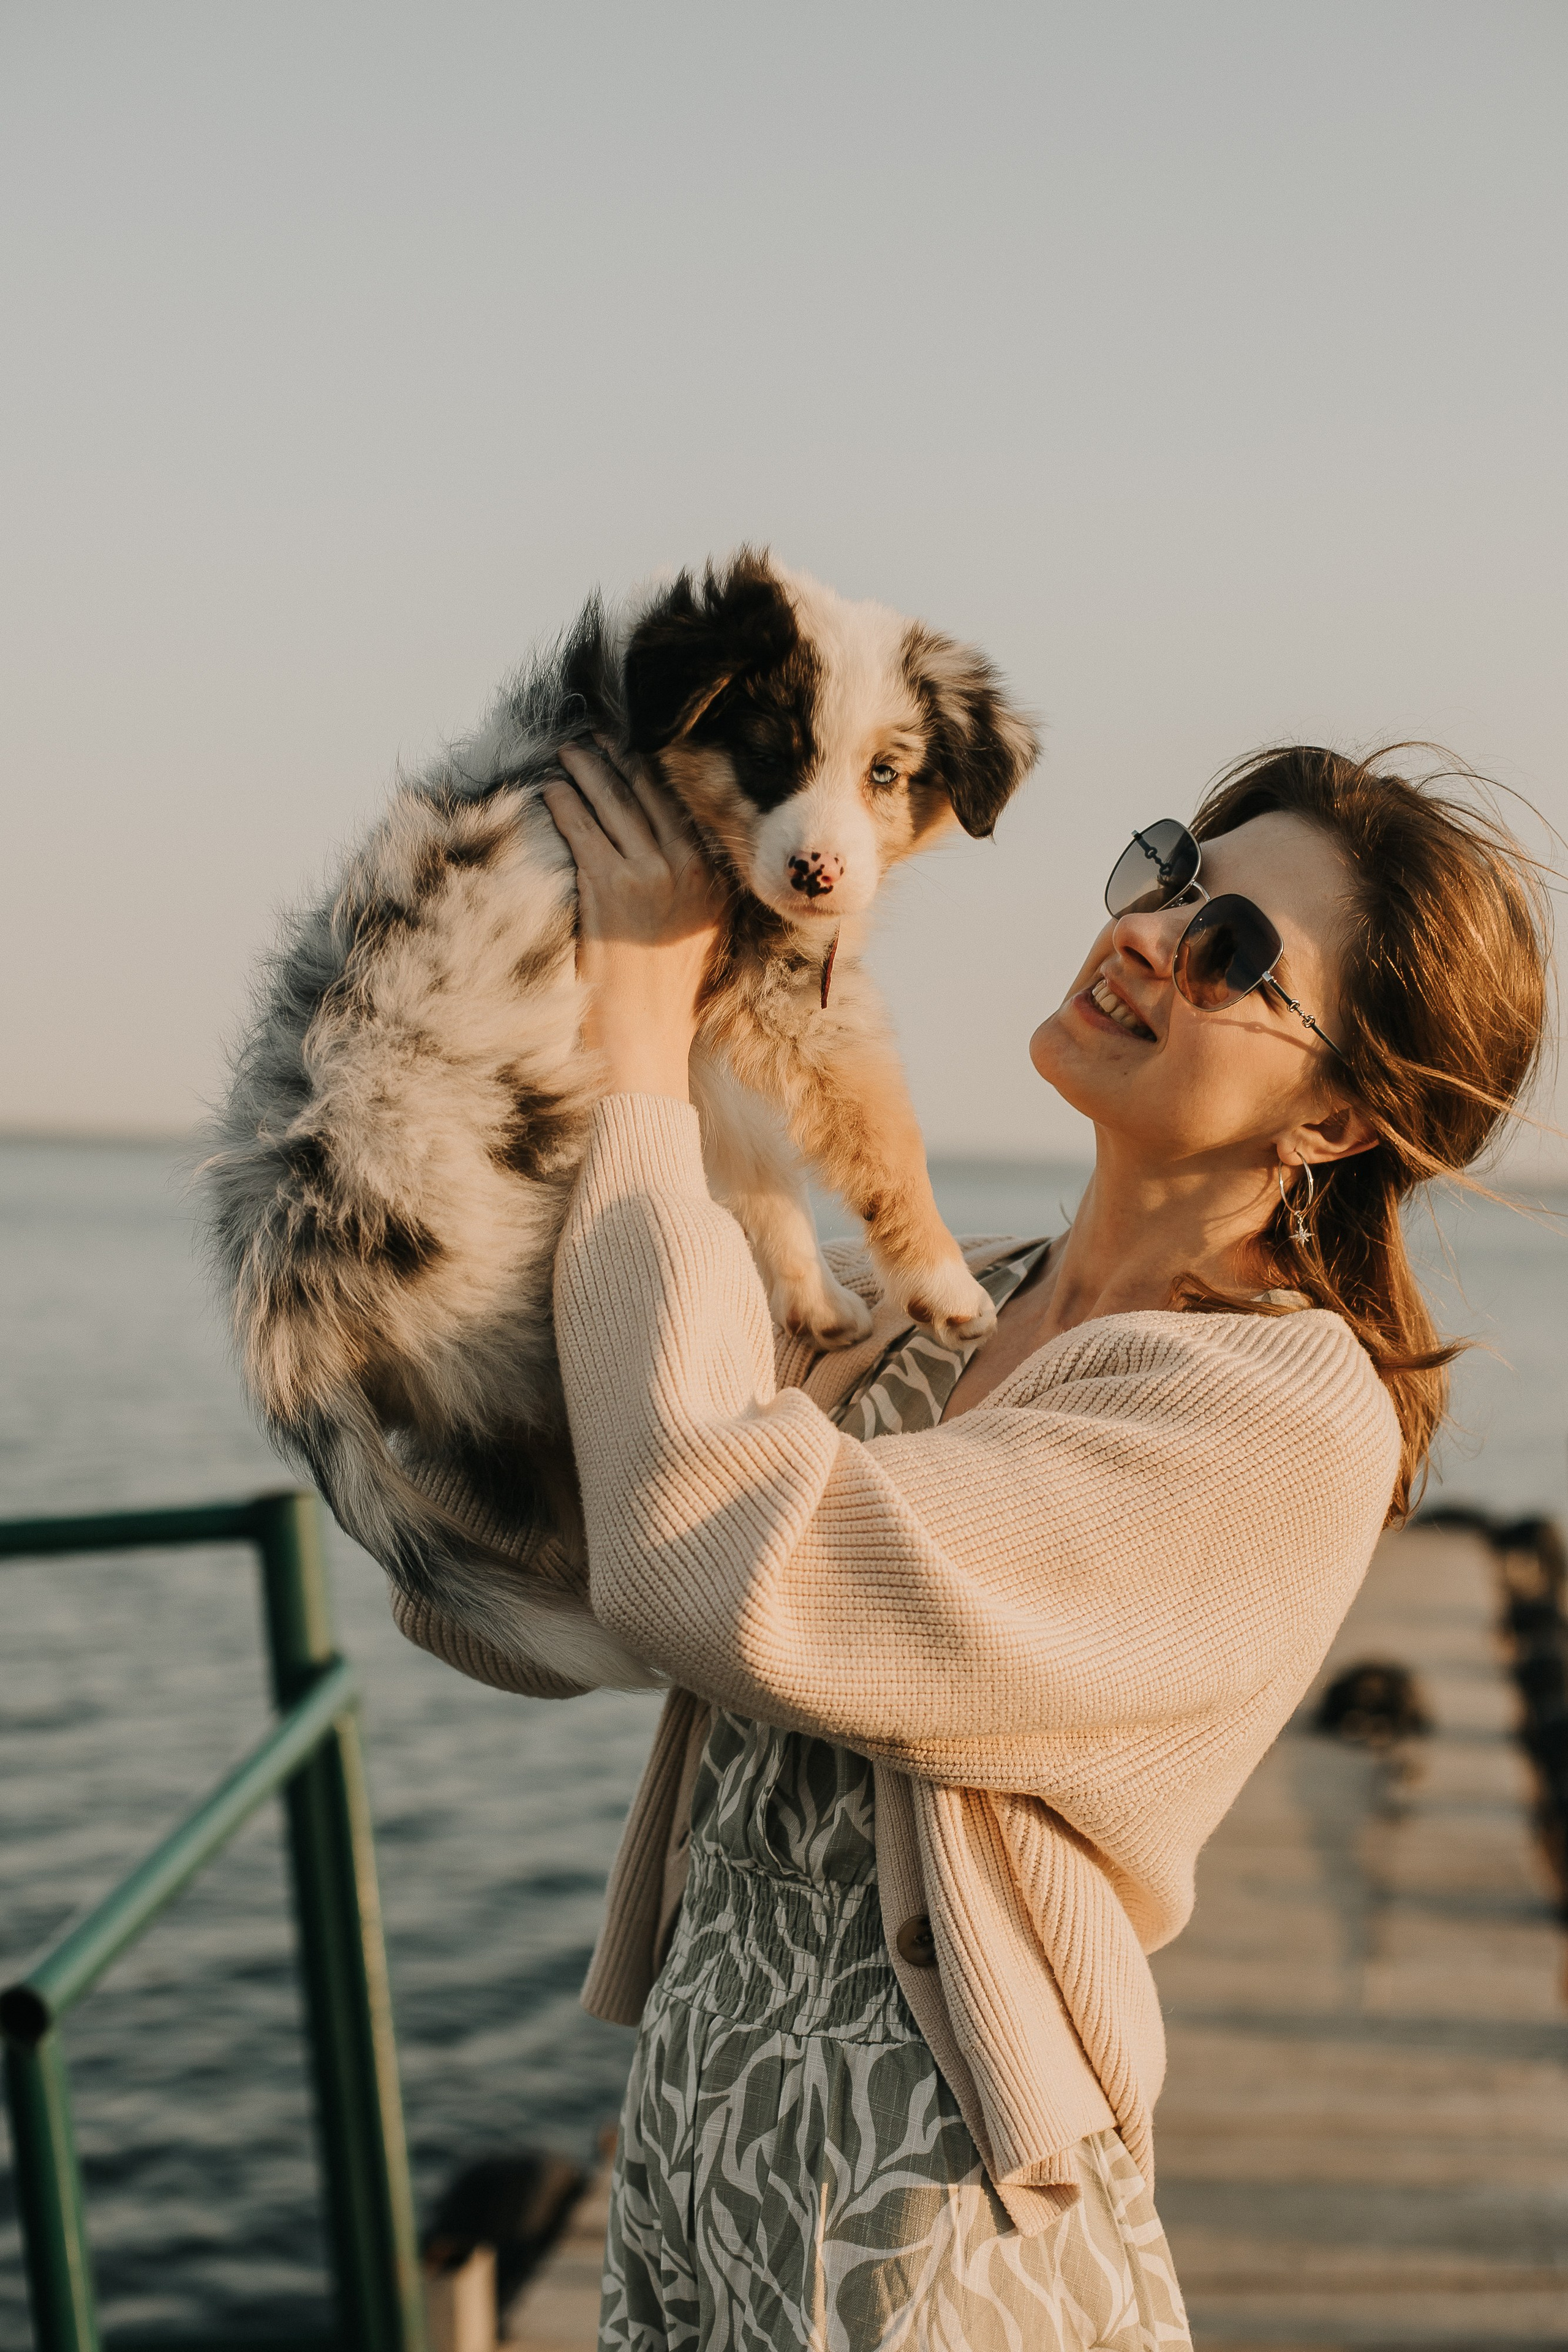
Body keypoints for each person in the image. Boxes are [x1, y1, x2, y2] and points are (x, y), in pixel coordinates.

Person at [398, 741, 1549, 2351]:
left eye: (1235, 951)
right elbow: (553, 1586)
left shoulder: (1279, 1417)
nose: (1151, 930)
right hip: (702, 2140)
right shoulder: (947, 1305)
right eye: (1172, 872)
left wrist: (644, 1040)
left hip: (924, 2224)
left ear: (1341, 1118)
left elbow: (720, 1568)